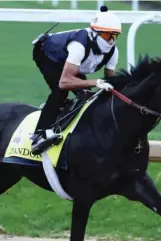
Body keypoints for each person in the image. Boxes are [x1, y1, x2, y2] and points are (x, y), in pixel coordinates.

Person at [30, 5, 121, 155]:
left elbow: (111, 80)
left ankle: (63, 116)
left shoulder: (113, 51)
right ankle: (39, 134)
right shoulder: (79, 45)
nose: (111, 41)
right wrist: (95, 82)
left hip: (71, 64)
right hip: (47, 55)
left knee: (85, 94)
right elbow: (64, 81)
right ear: (94, 33)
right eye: (107, 36)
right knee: (60, 91)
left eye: (115, 35)